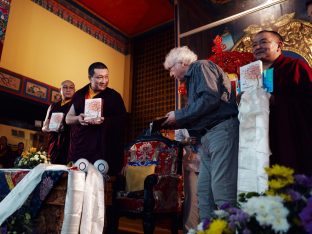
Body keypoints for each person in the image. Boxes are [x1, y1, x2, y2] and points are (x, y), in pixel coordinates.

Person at [162, 46, 239, 221]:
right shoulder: (192, 79)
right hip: (207, 137)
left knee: (222, 191)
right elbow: (201, 112)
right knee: (204, 193)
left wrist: (178, 115)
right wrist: (175, 122)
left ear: (182, 62)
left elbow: (209, 99)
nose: (171, 75)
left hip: (221, 131)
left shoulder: (201, 67)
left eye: (171, 69)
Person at [251, 30, 312, 175]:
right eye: (254, 45)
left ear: (279, 45)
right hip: (264, 140)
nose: (257, 47)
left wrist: (276, 99)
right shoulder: (252, 76)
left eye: (263, 42)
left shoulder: (295, 66)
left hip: (293, 136)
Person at [65, 62, 126, 176]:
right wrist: (78, 118)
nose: (104, 81)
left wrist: (105, 121)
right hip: (82, 146)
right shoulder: (80, 94)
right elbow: (68, 119)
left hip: (103, 148)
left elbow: (122, 120)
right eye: (99, 77)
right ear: (90, 78)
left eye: (106, 76)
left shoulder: (114, 96)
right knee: (78, 180)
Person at [42, 80, 75, 164]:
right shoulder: (53, 106)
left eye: (71, 87)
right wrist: (49, 129)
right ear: (59, 90)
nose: (68, 90)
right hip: (54, 142)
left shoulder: (76, 105)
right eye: (65, 87)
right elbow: (44, 127)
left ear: (74, 90)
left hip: (69, 142)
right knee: (52, 166)